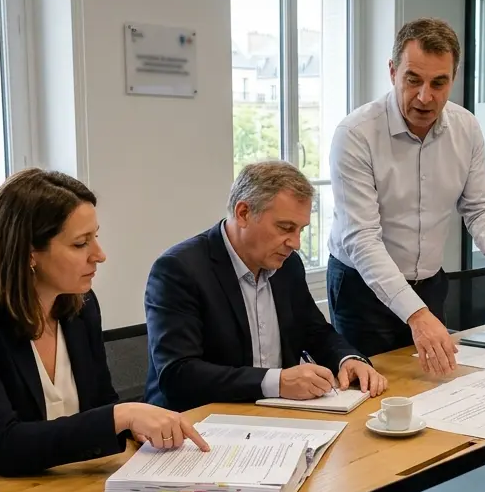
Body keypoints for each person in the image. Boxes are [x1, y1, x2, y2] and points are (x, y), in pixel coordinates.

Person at [0, 169, 207, 489]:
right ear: (29, 253)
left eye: (95, 236)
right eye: (81, 243)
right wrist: (120, 417)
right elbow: (2, 445)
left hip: (60, 484)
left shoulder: (79, 306)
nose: (99, 255)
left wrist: (134, 428)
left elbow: (100, 403)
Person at [327, 17, 485, 373]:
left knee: (431, 385)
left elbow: (479, 206)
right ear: (392, 72)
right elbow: (362, 239)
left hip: (429, 283)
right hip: (361, 287)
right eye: (413, 80)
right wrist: (417, 315)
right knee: (367, 387)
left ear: (454, 77)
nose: (424, 96)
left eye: (438, 83)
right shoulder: (356, 134)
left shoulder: (466, 128)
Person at [145, 162, 387, 411]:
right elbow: (179, 374)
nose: (295, 243)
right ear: (243, 214)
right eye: (285, 228)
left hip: (278, 416)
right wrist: (277, 382)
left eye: (301, 230)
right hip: (201, 421)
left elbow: (314, 330)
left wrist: (347, 359)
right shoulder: (178, 270)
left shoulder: (288, 265)